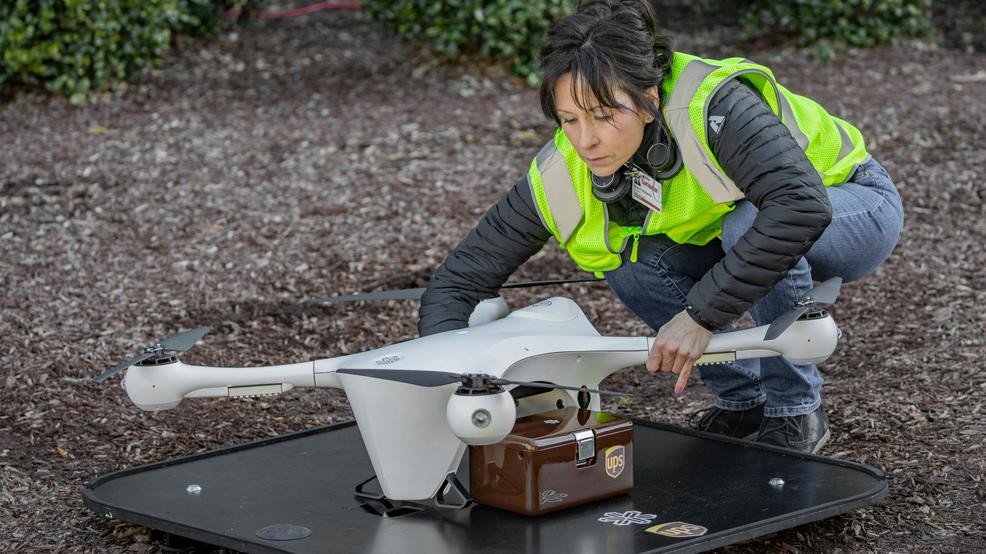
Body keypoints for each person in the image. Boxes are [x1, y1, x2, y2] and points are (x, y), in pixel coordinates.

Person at [417, 0, 903, 454]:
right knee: (632, 265)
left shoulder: (711, 106)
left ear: (648, 97)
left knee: (750, 221)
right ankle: (744, 401)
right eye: (568, 119)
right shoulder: (560, 171)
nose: (585, 139)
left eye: (605, 116)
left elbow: (797, 206)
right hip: (741, 229)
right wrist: (448, 387)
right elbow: (460, 280)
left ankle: (795, 408)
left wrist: (699, 316)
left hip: (852, 206)